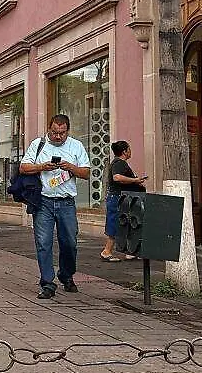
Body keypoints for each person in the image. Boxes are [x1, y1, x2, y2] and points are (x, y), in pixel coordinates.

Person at [19, 114, 91, 299]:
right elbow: (23, 167)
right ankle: (47, 283)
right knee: (43, 243)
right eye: (54, 132)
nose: (58, 136)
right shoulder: (38, 144)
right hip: (43, 202)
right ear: (48, 129)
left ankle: (66, 275)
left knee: (70, 243)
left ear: (68, 131)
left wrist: (71, 167)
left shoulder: (76, 146)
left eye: (62, 133)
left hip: (66, 202)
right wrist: (42, 167)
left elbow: (86, 173)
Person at [101, 141, 145, 262]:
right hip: (116, 198)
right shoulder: (119, 163)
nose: (131, 151)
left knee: (125, 223)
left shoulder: (120, 163)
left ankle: (129, 251)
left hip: (122, 198)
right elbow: (117, 177)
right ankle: (107, 251)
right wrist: (135, 180)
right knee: (115, 223)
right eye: (129, 149)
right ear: (124, 151)